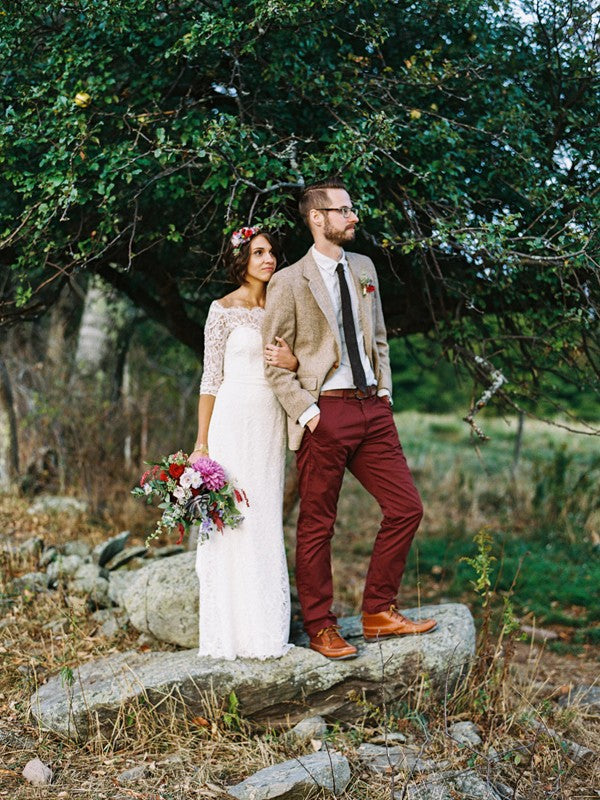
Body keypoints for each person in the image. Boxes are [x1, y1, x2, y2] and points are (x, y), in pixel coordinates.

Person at [263, 177, 437, 660]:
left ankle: (379, 611)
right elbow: (271, 363)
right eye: (342, 210)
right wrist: (310, 413)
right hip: (327, 412)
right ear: (317, 218)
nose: (352, 216)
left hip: (372, 409)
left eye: (352, 208)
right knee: (318, 525)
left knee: (406, 508)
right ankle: (321, 626)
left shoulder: (364, 267)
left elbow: (377, 336)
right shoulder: (288, 281)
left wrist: (384, 392)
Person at [191, 227, 296, 660]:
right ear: (241, 260)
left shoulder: (283, 307)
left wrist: (291, 360)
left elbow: (301, 364)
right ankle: (227, 632)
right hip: (232, 419)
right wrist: (201, 443)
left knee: (265, 514)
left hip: (270, 421)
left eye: (271, 252)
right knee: (232, 518)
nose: (268, 259)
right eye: (258, 252)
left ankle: (265, 630)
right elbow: (210, 378)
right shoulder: (222, 310)